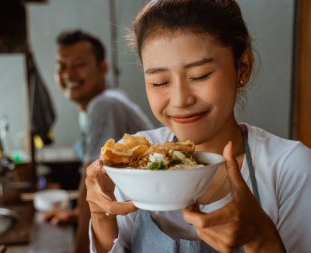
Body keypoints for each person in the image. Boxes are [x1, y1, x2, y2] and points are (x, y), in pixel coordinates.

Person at [85, 0, 311, 252]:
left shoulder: (290, 168)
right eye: (159, 82)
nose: (181, 100)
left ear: (243, 67)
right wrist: (101, 216)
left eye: (200, 75)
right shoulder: (135, 163)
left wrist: (262, 238)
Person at [43, 29, 154, 253]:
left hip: (143, 229)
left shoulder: (104, 105)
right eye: (62, 66)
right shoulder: (100, 104)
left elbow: (93, 183)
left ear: (102, 67)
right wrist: (76, 215)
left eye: (78, 64)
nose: (69, 74)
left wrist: (81, 250)